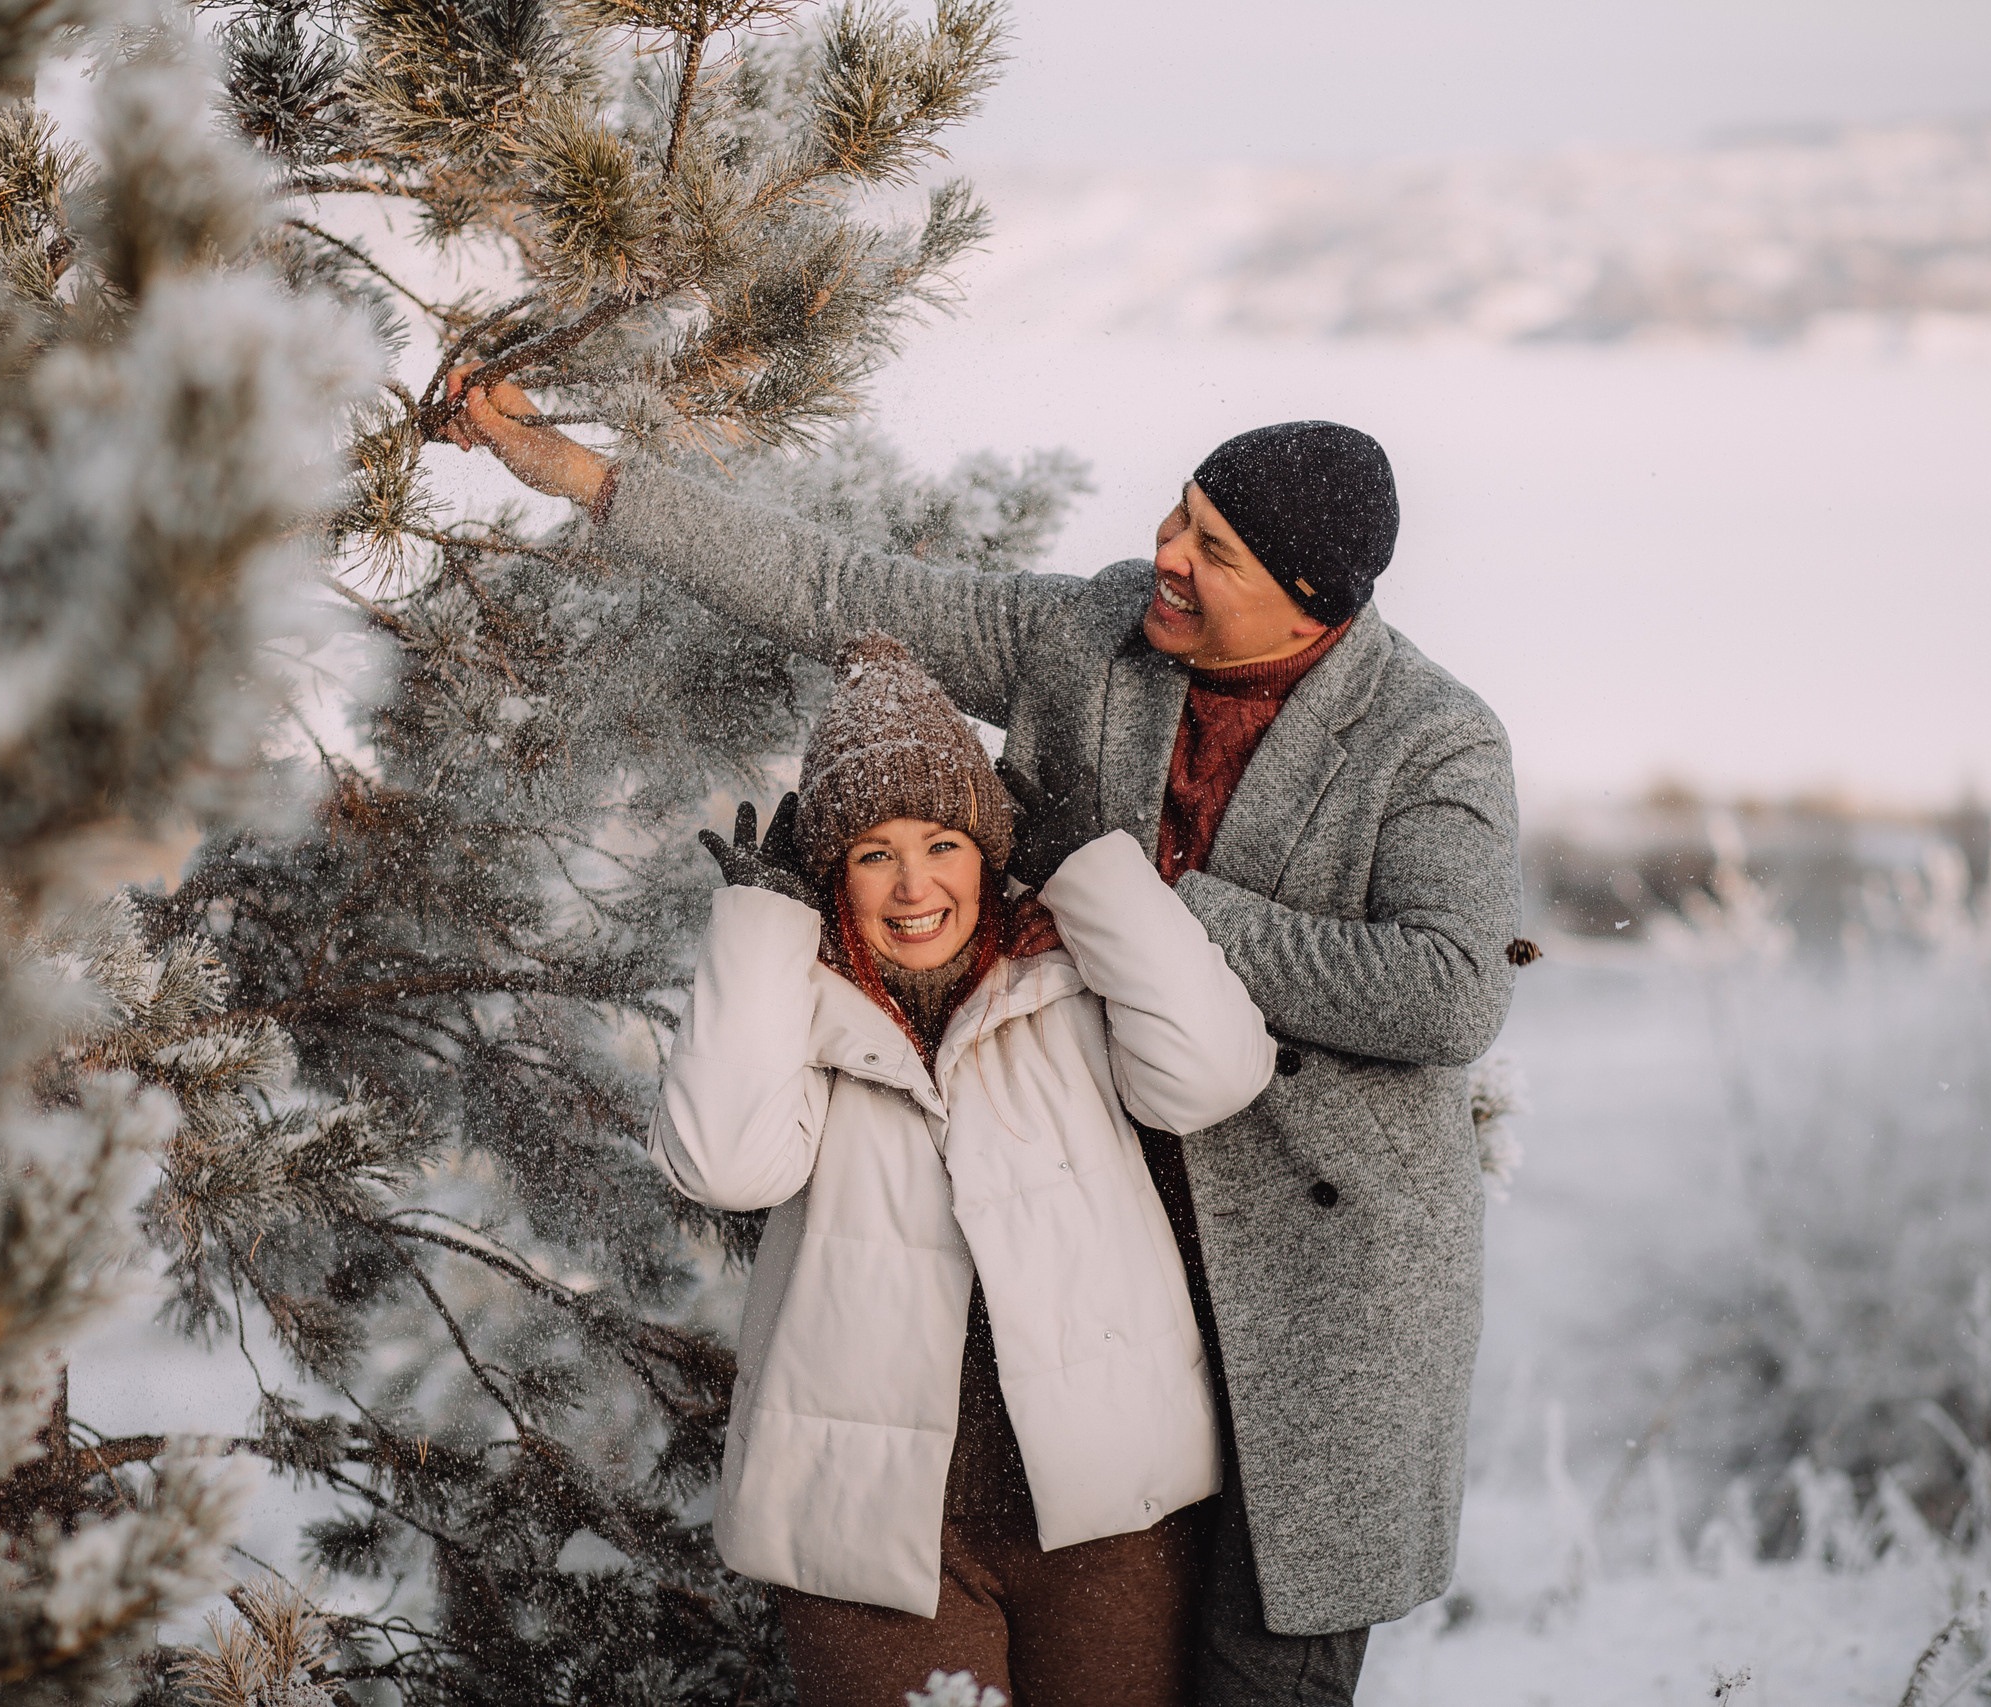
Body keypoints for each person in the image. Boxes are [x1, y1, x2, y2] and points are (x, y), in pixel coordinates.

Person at [449, 381, 1523, 1707]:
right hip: (1092, 1244)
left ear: (1317, 600)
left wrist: (1148, 895)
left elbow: (1449, 987)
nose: (1166, 560)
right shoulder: (1094, 636)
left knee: (1257, 1676)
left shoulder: (1432, 739)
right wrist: (590, 477)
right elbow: (840, 585)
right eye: (1177, 518)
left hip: (1315, 1305)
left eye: (1213, 552)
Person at [652, 631, 1274, 1706]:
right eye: (870, 852)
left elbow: (1214, 1072)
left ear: (987, 850)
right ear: (827, 873)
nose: (911, 886)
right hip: (867, 1535)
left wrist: (1096, 875)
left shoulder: (1067, 977)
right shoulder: (794, 1008)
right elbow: (721, 1165)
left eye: (941, 841)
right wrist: (758, 928)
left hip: (1108, 1513)